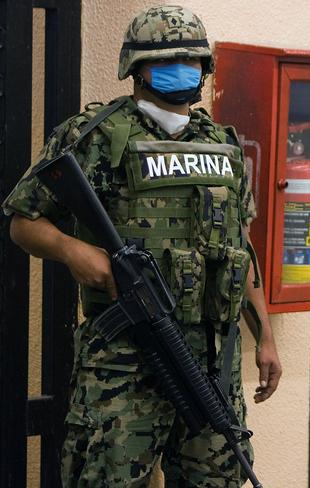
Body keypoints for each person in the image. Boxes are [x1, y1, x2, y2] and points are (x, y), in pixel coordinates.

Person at [2, 5, 281, 487]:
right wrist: (74, 251)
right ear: (137, 69)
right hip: (123, 364)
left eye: (193, 60)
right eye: (169, 61)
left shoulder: (223, 146)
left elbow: (241, 250)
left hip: (212, 362)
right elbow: (23, 222)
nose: (184, 70)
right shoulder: (93, 137)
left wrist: (267, 340)